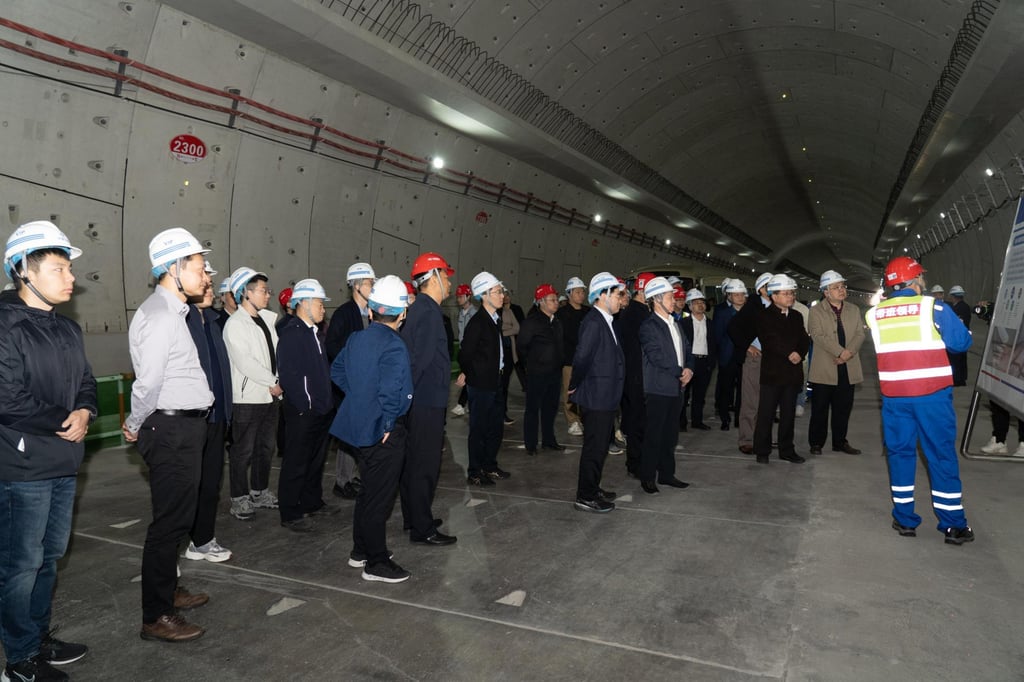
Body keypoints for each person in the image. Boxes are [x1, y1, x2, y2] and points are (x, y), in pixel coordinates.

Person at [0, 221, 96, 681]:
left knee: (50, 556)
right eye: (59, 268)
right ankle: (18, 659)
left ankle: (37, 639)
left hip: (62, 461)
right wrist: (67, 420)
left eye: (70, 269)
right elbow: (7, 398)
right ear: (24, 271)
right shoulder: (4, 325)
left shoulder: (67, 329)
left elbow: (87, 383)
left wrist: (86, 412)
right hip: (22, 466)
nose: (70, 278)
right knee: (20, 565)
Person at [124, 227, 215, 643]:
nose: (205, 275)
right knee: (168, 523)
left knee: (179, 517)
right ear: (174, 269)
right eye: (198, 267)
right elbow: (149, 382)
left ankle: (168, 590)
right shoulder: (160, 316)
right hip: (170, 427)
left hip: (184, 427)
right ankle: (155, 615)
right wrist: (135, 421)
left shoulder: (175, 313)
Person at [866, 256, 974, 545]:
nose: (923, 282)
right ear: (913, 281)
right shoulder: (933, 307)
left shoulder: (874, 314)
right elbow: (961, 343)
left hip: (894, 400)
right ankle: (953, 524)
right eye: (920, 278)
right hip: (931, 399)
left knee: (900, 455)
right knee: (940, 456)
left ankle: (904, 519)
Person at [331, 275, 414, 583]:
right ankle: (376, 562)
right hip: (384, 431)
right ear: (402, 313)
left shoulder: (356, 338)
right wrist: (390, 421)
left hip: (360, 427)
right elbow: (395, 391)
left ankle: (360, 550)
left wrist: (359, 394)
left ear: (371, 310)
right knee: (379, 496)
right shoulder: (395, 345)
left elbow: (337, 370)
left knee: (368, 490)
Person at [400, 253, 457, 546]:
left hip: (421, 400)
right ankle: (422, 528)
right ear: (432, 277)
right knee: (425, 464)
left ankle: (415, 516)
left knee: (415, 463)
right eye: (445, 275)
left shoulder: (422, 309)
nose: (448, 281)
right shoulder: (428, 311)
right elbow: (417, 362)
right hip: (425, 402)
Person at [277, 279, 340, 532]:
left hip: (320, 410)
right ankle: (290, 511)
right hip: (305, 412)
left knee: (315, 461)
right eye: (319, 303)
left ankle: (312, 502)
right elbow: (291, 375)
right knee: (296, 461)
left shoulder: (314, 332)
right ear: (303, 303)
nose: (323, 308)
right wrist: (307, 405)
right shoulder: (293, 333)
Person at [183, 261, 234, 563]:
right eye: (204, 280)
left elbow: (221, 372)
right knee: (188, 485)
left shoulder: (214, 322)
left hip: (217, 417)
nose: (209, 288)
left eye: (211, 283)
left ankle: (202, 540)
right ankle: (186, 540)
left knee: (211, 482)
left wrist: (227, 411)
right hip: (193, 418)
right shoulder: (182, 321)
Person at [222, 267, 282, 521]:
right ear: (245, 293)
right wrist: (273, 381)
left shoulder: (266, 320)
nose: (267, 295)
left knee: (265, 447)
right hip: (247, 399)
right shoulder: (235, 325)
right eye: (261, 290)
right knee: (242, 451)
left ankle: (259, 491)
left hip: (270, 395)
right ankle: (239, 498)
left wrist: (276, 382)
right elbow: (245, 362)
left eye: (267, 290)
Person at [568, 272, 625, 513]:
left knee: (600, 447)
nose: (621, 300)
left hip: (606, 395)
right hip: (596, 396)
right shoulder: (593, 322)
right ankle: (585, 496)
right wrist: (574, 384)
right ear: (603, 295)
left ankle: (593, 486)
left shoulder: (606, 320)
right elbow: (581, 358)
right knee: (594, 447)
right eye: (617, 295)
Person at [637, 277, 693, 494]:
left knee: (670, 435)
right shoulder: (648, 326)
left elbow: (687, 349)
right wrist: (681, 371)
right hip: (658, 388)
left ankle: (667, 474)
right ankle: (648, 476)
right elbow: (657, 357)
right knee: (654, 435)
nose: (675, 300)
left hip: (677, 387)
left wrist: (689, 368)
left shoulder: (676, 322)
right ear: (657, 300)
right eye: (670, 297)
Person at [326, 262, 377, 500]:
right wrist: (352, 366)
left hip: (366, 384)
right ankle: (341, 481)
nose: (372, 287)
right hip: (349, 385)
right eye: (369, 283)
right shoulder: (344, 314)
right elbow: (333, 346)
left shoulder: (371, 312)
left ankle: (352, 476)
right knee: (349, 434)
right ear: (356, 286)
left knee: (361, 432)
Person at [459, 272, 512, 485]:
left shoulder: (494, 319)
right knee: (479, 429)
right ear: (484, 295)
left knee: (495, 428)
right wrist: (472, 375)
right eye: (498, 292)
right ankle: (475, 471)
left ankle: (489, 465)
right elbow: (465, 354)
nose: (502, 295)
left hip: (496, 382)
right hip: (481, 385)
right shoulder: (478, 322)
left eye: (501, 291)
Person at [751, 274, 810, 464]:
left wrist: (799, 353)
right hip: (773, 373)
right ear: (774, 296)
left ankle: (787, 449)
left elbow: (804, 339)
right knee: (766, 414)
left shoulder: (797, 316)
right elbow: (769, 339)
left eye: (792, 293)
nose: (790, 297)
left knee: (788, 415)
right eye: (786, 294)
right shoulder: (763, 316)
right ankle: (762, 450)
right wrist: (789, 353)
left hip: (792, 374)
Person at [807, 270, 864, 456]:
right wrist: (841, 351)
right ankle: (816, 443)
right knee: (820, 409)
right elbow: (818, 335)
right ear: (826, 292)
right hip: (825, 365)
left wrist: (848, 354)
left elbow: (859, 334)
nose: (841, 290)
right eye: (836, 287)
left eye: (842, 286)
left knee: (843, 408)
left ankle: (840, 441)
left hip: (848, 367)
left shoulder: (854, 310)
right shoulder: (816, 311)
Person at [728, 272, 774, 454]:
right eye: (771, 286)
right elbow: (733, 327)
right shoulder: (753, 306)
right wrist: (747, 346)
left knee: (769, 400)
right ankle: (747, 439)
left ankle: (764, 437)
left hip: (774, 359)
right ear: (762, 289)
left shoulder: (781, 306)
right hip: (755, 359)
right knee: (751, 400)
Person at [517, 284, 565, 456]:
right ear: (541, 302)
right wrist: (531, 365)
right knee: (532, 409)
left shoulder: (556, 321)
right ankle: (531, 444)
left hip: (554, 373)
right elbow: (522, 346)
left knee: (550, 409)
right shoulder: (532, 322)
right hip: (537, 373)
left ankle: (548, 440)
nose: (556, 303)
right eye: (552, 300)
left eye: (556, 299)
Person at [619, 273, 655, 478]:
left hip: (636, 374)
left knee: (638, 419)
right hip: (636, 375)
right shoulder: (637, 313)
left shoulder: (637, 311)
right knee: (637, 421)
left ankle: (637, 461)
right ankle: (636, 462)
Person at [555, 277, 589, 437]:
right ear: (569, 294)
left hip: (586, 360)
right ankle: (573, 421)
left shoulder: (588, 312)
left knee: (585, 390)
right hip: (569, 359)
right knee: (569, 390)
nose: (581, 295)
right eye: (578, 292)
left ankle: (584, 418)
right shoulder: (561, 314)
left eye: (583, 291)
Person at [680, 288, 715, 431]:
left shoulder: (711, 323)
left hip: (704, 361)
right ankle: (681, 422)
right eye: (696, 303)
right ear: (690, 305)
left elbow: (714, 344)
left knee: (700, 395)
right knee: (684, 393)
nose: (700, 305)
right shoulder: (683, 323)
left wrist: (712, 363)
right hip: (690, 361)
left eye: (702, 302)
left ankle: (697, 421)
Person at [713, 279, 746, 431]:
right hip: (728, 356)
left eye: (742, 294)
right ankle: (725, 418)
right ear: (730, 297)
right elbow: (717, 337)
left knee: (743, 389)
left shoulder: (749, 313)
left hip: (745, 356)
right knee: (726, 389)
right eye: (736, 294)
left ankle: (740, 418)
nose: (740, 297)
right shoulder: (723, 314)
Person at [451, 283, 476, 416]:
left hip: (471, 351)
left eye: (461, 296)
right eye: (458, 297)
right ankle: (466, 403)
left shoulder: (475, 314)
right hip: (463, 350)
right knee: (468, 377)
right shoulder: (461, 313)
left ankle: (462, 404)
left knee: (469, 376)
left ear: (468, 296)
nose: (458, 299)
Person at [947, 285, 972, 386]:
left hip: (957, 337)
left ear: (953, 296)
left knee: (955, 358)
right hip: (963, 337)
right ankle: (961, 378)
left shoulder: (957, 308)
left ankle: (957, 379)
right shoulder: (964, 306)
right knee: (961, 358)